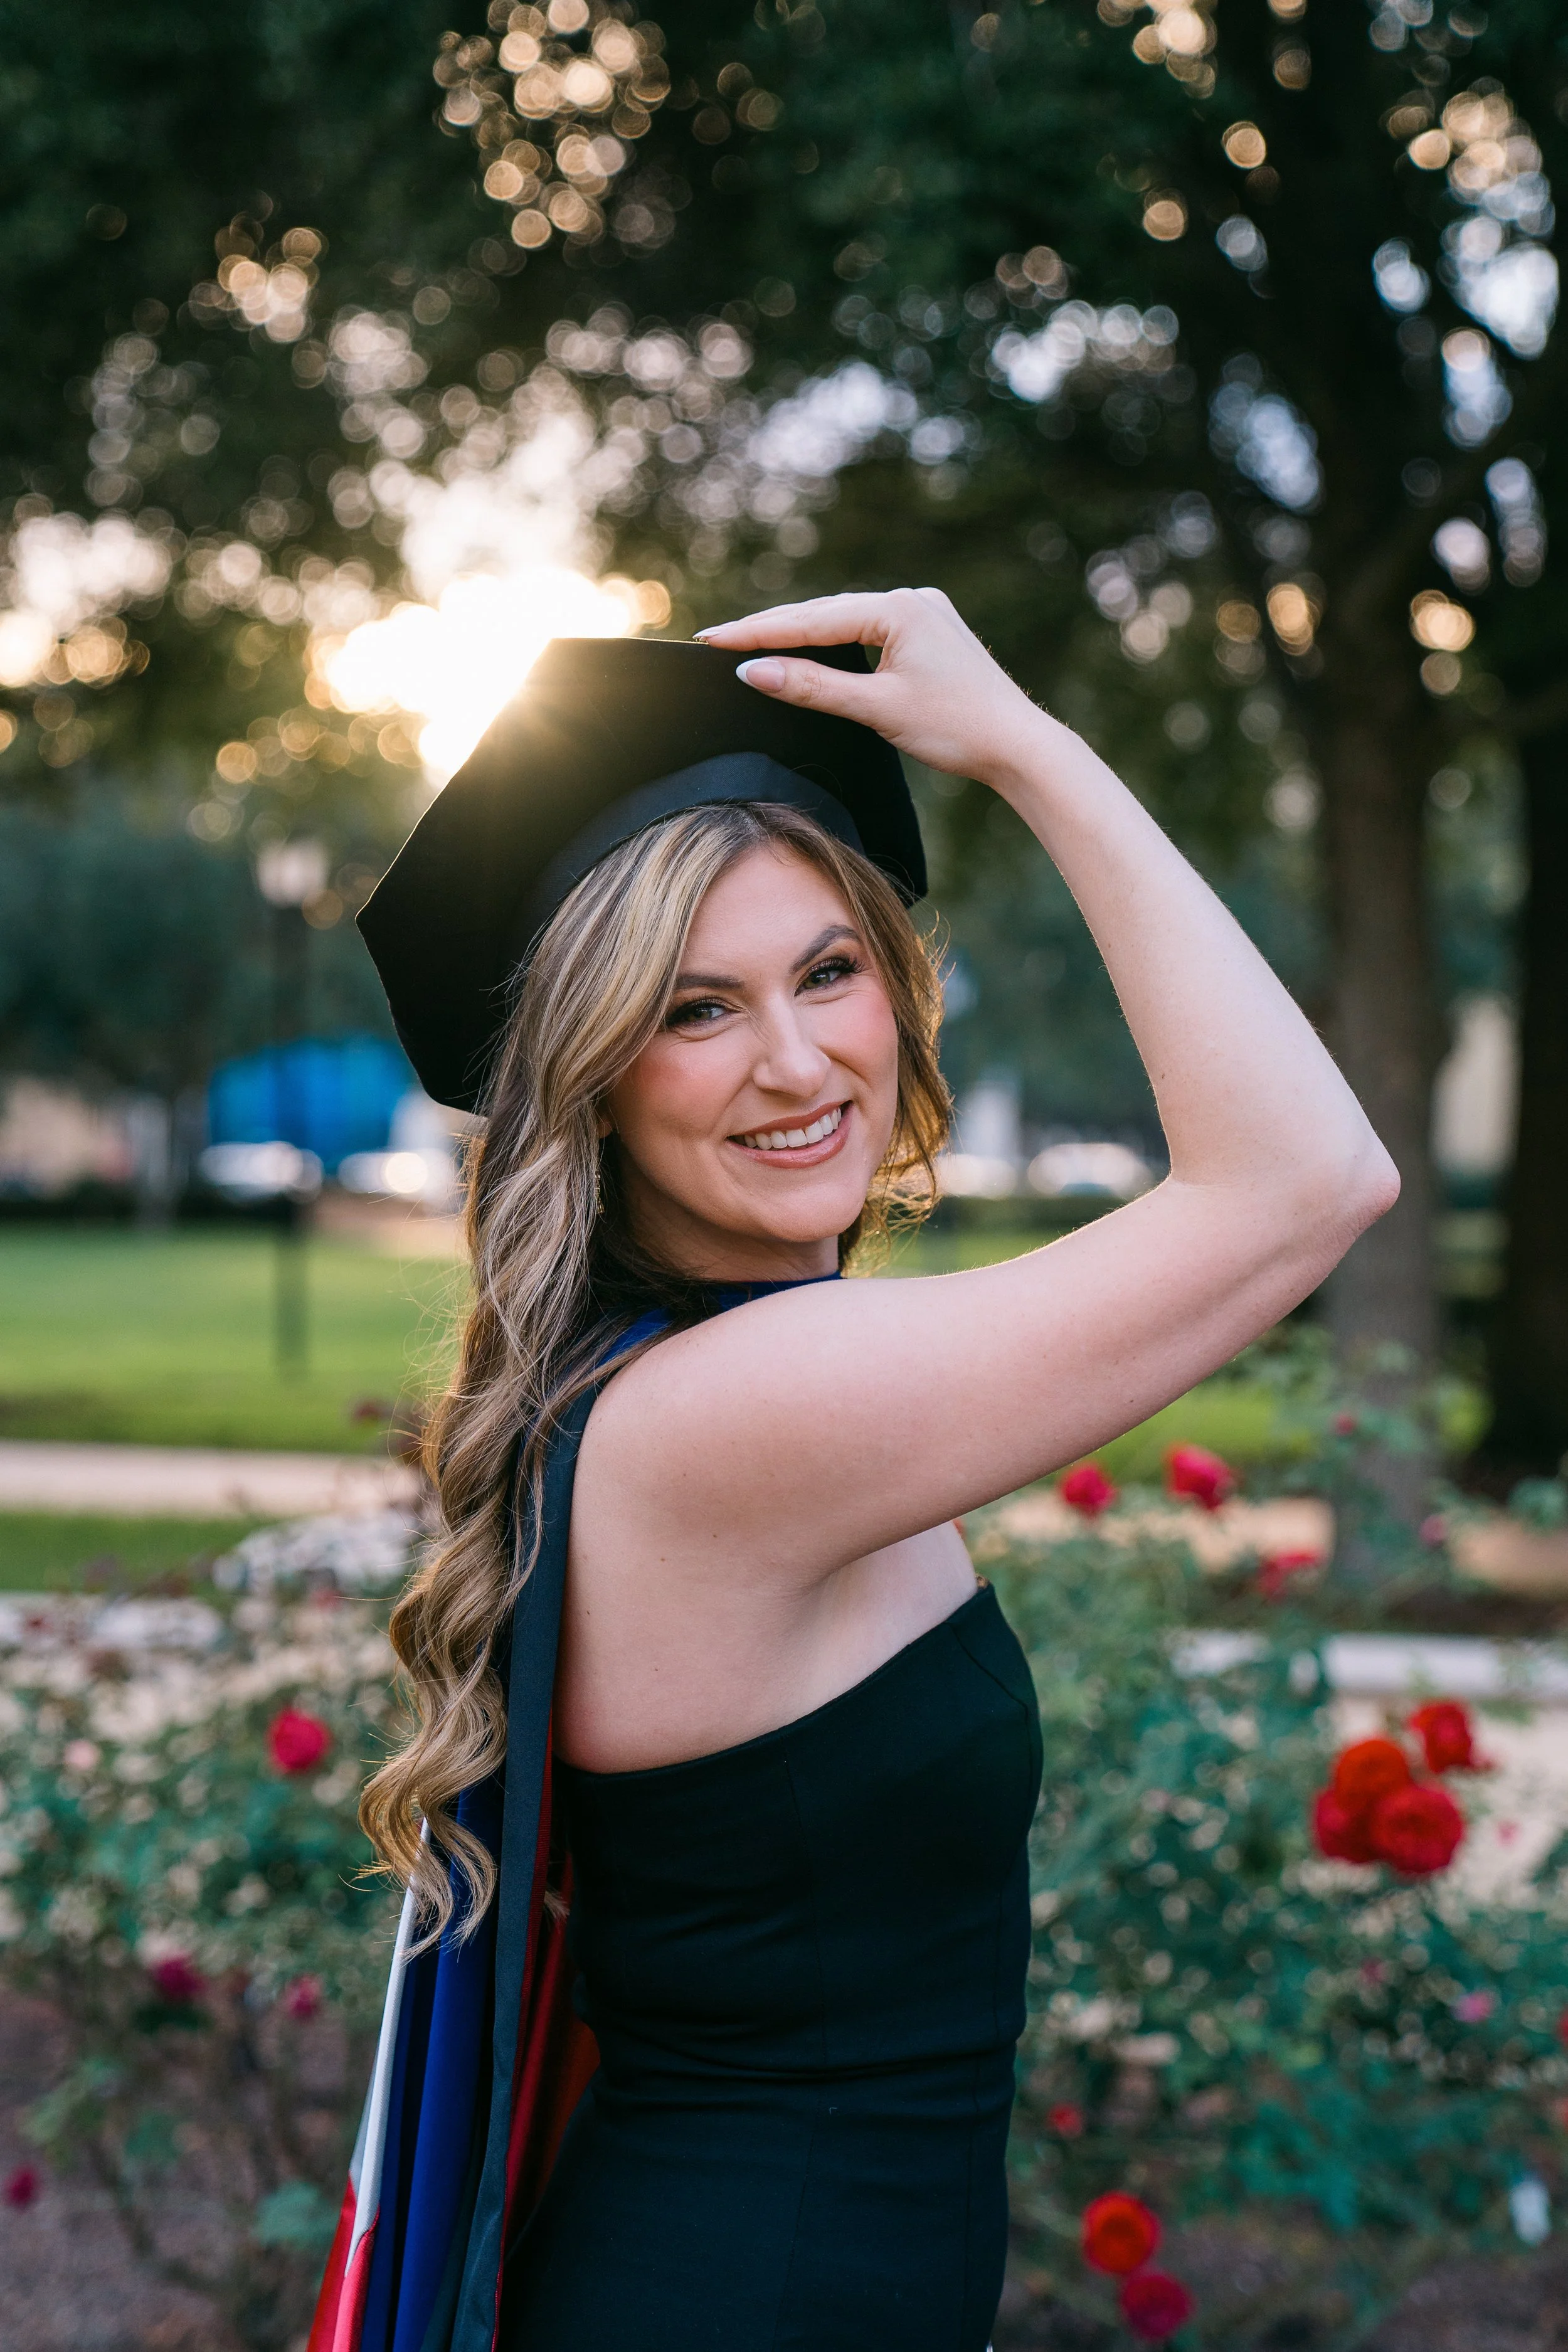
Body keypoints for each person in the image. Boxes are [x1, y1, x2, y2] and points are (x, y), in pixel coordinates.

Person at [318, 590, 1397, 2352]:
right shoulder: (741, 1412)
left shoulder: (681, 1377)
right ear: (592, 1076)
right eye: (694, 1008)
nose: (798, 1060)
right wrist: (1026, 749)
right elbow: (1305, 1179)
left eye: (828, 969)